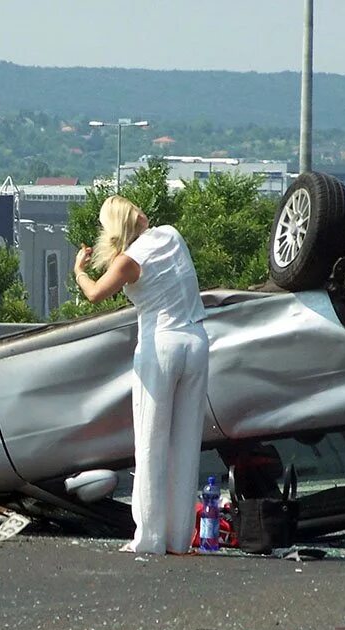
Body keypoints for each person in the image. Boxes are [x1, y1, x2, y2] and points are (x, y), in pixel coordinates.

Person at [74, 196, 209, 555]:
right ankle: (180, 537)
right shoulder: (170, 235)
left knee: (151, 441)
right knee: (185, 443)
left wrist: (79, 271)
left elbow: (94, 295)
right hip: (196, 340)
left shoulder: (127, 262)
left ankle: (149, 538)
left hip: (159, 345)